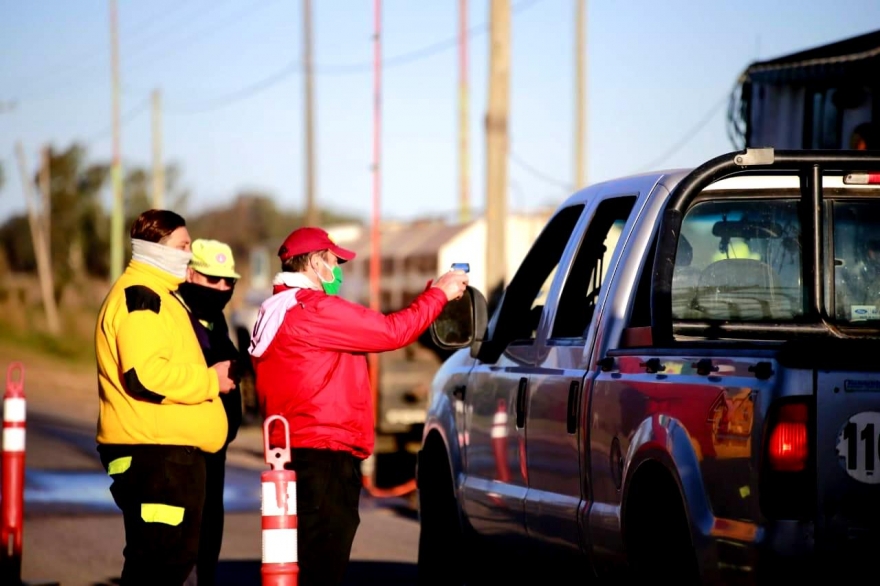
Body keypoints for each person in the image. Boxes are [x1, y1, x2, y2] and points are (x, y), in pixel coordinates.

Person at [247, 226, 468, 586]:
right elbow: (391, 331)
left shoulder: (275, 308)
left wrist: (428, 296)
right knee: (323, 565)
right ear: (316, 262)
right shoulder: (314, 308)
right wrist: (440, 295)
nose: (337, 271)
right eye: (334, 262)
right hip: (324, 453)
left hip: (293, 448)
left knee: (295, 562)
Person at [95, 209, 236, 586]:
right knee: (159, 565)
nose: (189, 253)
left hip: (168, 457)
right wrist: (211, 382)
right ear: (155, 249)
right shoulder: (143, 298)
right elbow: (144, 376)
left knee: (170, 562)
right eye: (183, 245)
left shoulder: (164, 296)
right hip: (156, 458)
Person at [176, 239, 244, 586]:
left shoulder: (216, 319)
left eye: (227, 281)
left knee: (208, 540)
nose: (221, 288)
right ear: (190, 273)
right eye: (212, 279)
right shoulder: (174, 315)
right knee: (183, 548)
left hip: (216, 451)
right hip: (185, 452)